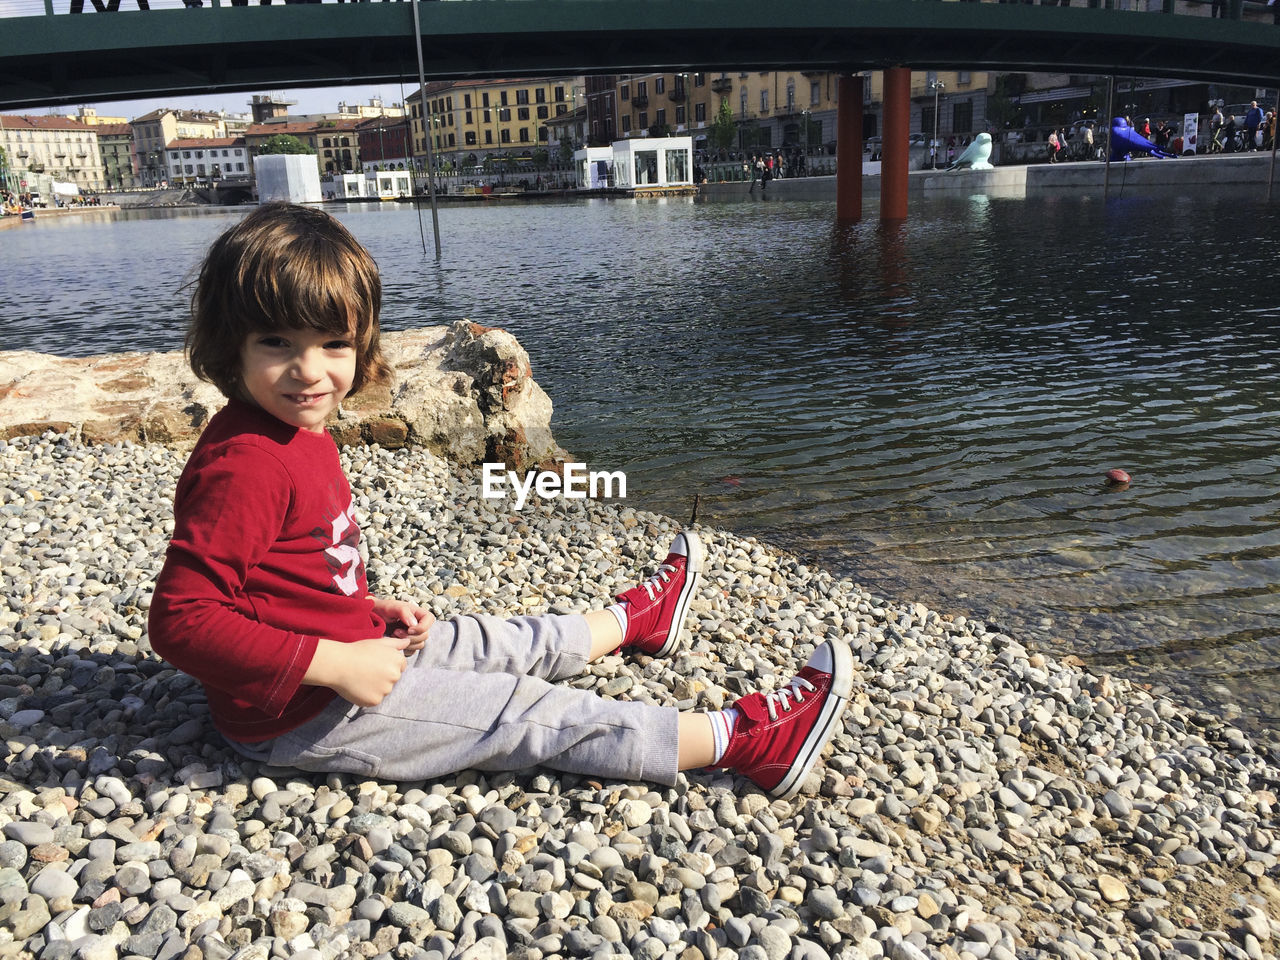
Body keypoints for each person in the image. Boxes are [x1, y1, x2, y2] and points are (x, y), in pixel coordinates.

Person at [148, 203, 853, 801]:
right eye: (277, 342)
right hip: (301, 716)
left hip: (340, 656)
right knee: (521, 712)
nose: (310, 370)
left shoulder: (294, 431)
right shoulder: (245, 464)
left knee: (483, 639)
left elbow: (290, 574)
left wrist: (363, 615)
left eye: (334, 343)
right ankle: (742, 742)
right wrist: (332, 663)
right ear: (229, 343)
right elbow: (182, 619)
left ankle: (625, 624)